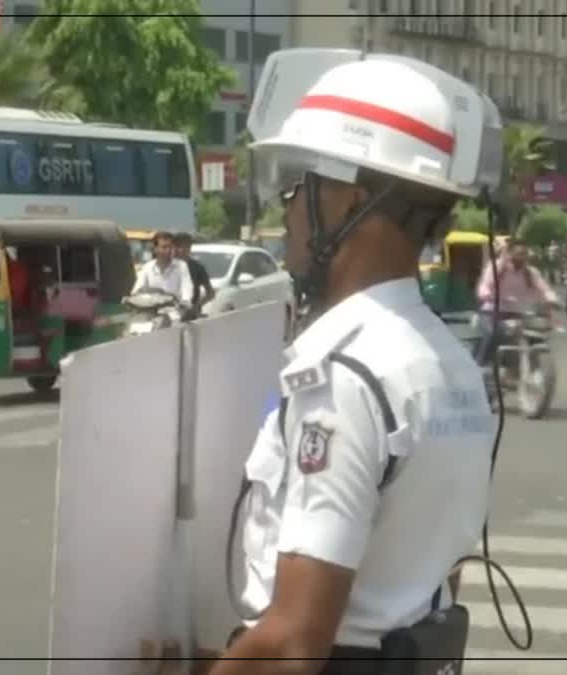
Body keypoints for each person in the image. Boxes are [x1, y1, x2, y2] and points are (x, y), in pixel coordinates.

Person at [213, 56, 498, 675]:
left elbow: (293, 644)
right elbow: (441, 573)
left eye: (302, 184)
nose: (288, 209)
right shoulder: (451, 367)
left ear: (351, 200)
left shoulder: (347, 374)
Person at [474, 238, 559, 367]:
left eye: (524, 254)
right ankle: (479, 366)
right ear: (508, 253)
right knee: (493, 334)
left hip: (518, 315)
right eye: (518, 254)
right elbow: (484, 286)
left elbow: (544, 289)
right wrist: (486, 295)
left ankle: (525, 366)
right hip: (492, 313)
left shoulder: (530, 273)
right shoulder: (496, 268)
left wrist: (552, 300)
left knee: (536, 335)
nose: (521, 257)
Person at [130, 231, 194, 311]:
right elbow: (136, 292)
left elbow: (187, 289)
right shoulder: (147, 267)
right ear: (155, 249)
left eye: (171, 247)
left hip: (174, 313)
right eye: (164, 247)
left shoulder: (181, 266)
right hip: (151, 312)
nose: (169, 250)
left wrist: (185, 302)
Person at [174, 232, 215, 318]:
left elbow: (210, 293)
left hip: (191, 316)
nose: (182, 250)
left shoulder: (197, 267)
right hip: (170, 314)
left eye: (186, 246)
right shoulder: (167, 266)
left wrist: (197, 305)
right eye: (178, 246)